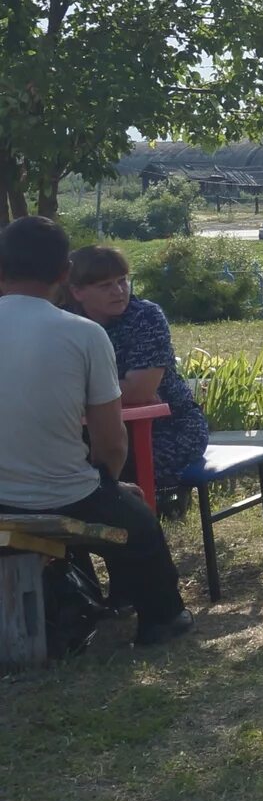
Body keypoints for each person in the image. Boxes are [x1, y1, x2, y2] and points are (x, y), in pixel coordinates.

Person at [0, 217, 190, 644]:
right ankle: (162, 618)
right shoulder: (83, 335)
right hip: (63, 495)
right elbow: (110, 443)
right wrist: (107, 483)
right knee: (137, 520)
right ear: (65, 275)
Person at [58, 245, 210, 498]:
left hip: (166, 426)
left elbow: (141, 391)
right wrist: (115, 390)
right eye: (105, 286)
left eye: (122, 281)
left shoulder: (145, 317)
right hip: (90, 427)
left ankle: (147, 516)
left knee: (119, 465)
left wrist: (77, 393)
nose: (118, 291)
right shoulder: (64, 321)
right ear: (77, 291)